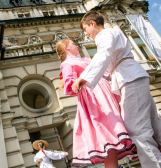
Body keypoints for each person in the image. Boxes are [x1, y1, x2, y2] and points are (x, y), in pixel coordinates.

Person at [72, 11, 161, 168]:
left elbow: (103, 56)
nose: (86, 34)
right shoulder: (113, 35)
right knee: (160, 133)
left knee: (137, 130)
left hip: (129, 78)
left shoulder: (103, 35)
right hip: (132, 76)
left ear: (92, 23)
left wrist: (83, 78)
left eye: (85, 29)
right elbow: (106, 66)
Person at [56, 39, 136, 167]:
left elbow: (104, 73)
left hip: (105, 90)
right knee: (107, 132)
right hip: (94, 95)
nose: (76, 45)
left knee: (117, 127)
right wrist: (80, 82)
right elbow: (70, 86)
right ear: (66, 47)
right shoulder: (67, 63)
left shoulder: (86, 59)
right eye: (72, 43)